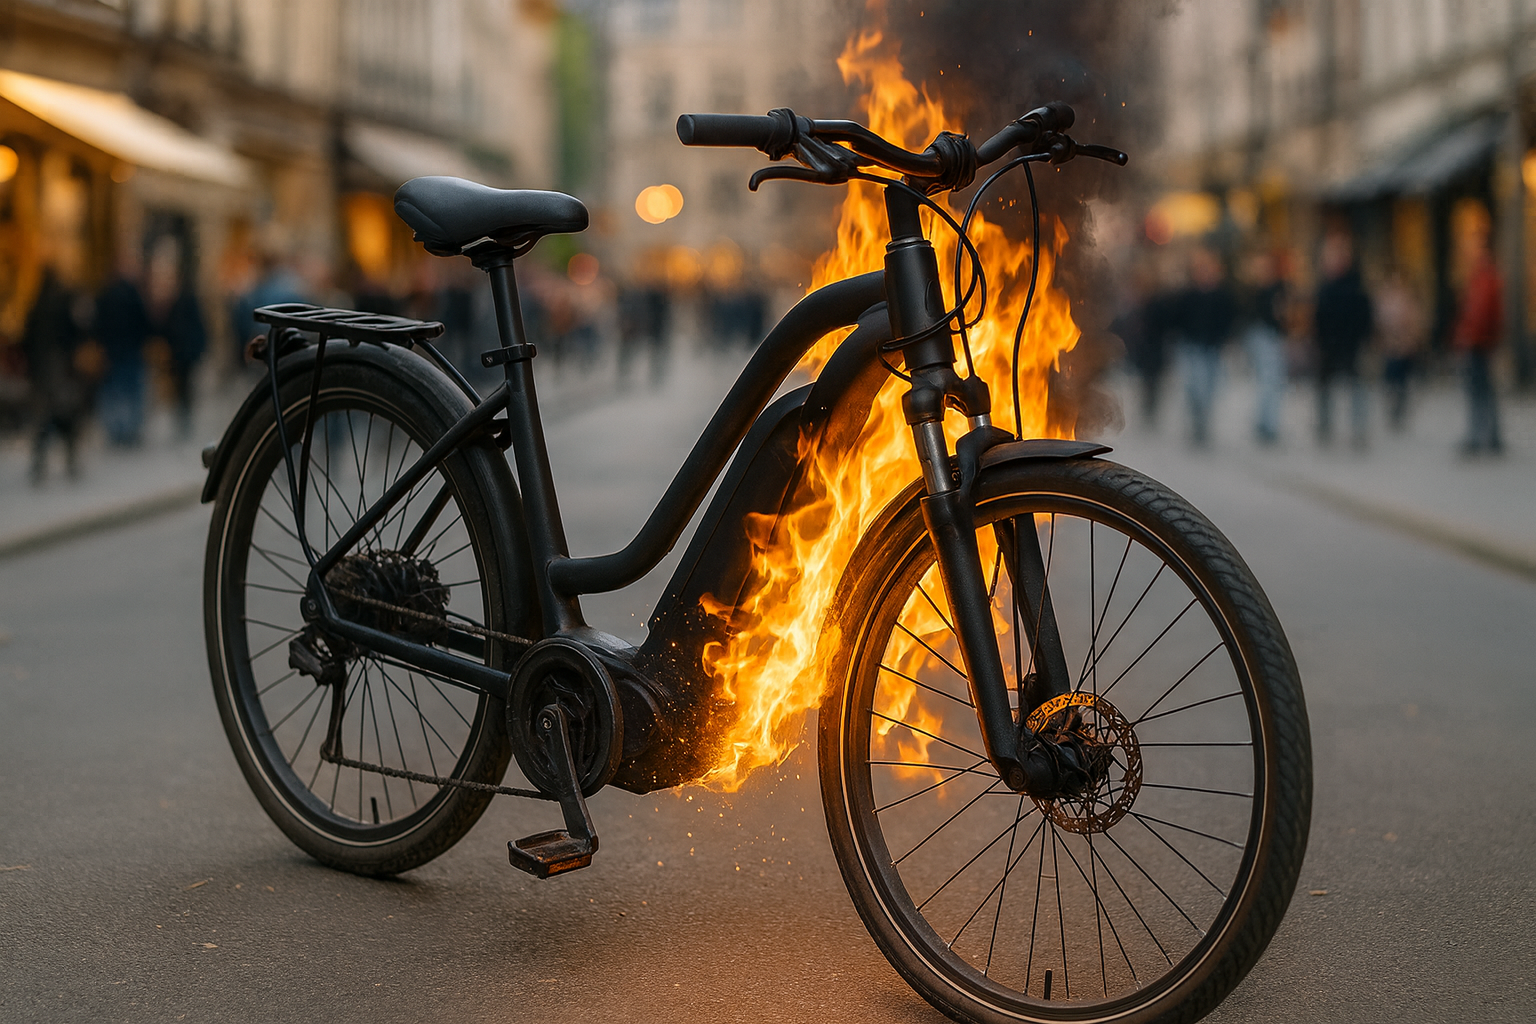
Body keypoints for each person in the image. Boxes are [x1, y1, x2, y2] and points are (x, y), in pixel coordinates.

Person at [20, 265, 87, 482]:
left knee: (42, 422)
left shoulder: (35, 307)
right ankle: (71, 462)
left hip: (41, 374)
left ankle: (39, 465)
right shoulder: (63, 305)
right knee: (66, 419)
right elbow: (76, 335)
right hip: (60, 372)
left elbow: (25, 342)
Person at [1312, 232, 1373, 448]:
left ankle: (1358, 429)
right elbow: (1318, 318)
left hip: (1350, 344)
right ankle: (1324, 425)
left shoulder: (1355, 285)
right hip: (1328, 345)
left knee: (1356, 387)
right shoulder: (1324, 286)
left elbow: (1365, 316)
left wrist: (1365, 339)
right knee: (1324, 389)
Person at [1173, 246, 1235, 448]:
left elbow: (1227, 320)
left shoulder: (1222, 296)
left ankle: (1203, 424)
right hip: (1192, 346)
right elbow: (1179, 319)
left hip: (1211, 348)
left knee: (1208, 390)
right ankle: (1196, 423)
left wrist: (1222, 339)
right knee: (1194, 388)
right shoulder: (1188, 295)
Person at [1454, 234, 1504, 455]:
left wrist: (1466, 335)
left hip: (1478, 342)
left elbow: (1479, 313)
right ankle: (1491, 435)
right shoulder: (1484, 276)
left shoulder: (1483, 278)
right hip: (1483, 341)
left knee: (1477, 391)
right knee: (1485, 390)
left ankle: (1479, 436)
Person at [93, 262, 153, 447]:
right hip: (131, 351)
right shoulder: (132, 294)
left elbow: (98, 325)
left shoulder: (106, 295)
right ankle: (131, 430)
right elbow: (143, 322)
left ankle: (117, 431)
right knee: (132, 392)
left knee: (115, 393)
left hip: (113, 352)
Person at [1240, 250, 1288, 445]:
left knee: (1271, 381)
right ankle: (1265, 422)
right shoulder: (1253, 291)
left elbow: (1284, 314)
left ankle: (1268, 423)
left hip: (1272, 336)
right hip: (1258, 336)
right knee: (1266, 381)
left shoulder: (1279, 288)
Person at [1373, 268, 1425, 432]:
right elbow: (1379, 321)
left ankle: (1400, 410)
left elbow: (1415, 323)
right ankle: (1392, 409)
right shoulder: (1384, 298)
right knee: (1390, 380)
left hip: (1404, 346)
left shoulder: (1408, 299)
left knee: (1402, 380)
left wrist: (1410, 339)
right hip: (1389, 346)